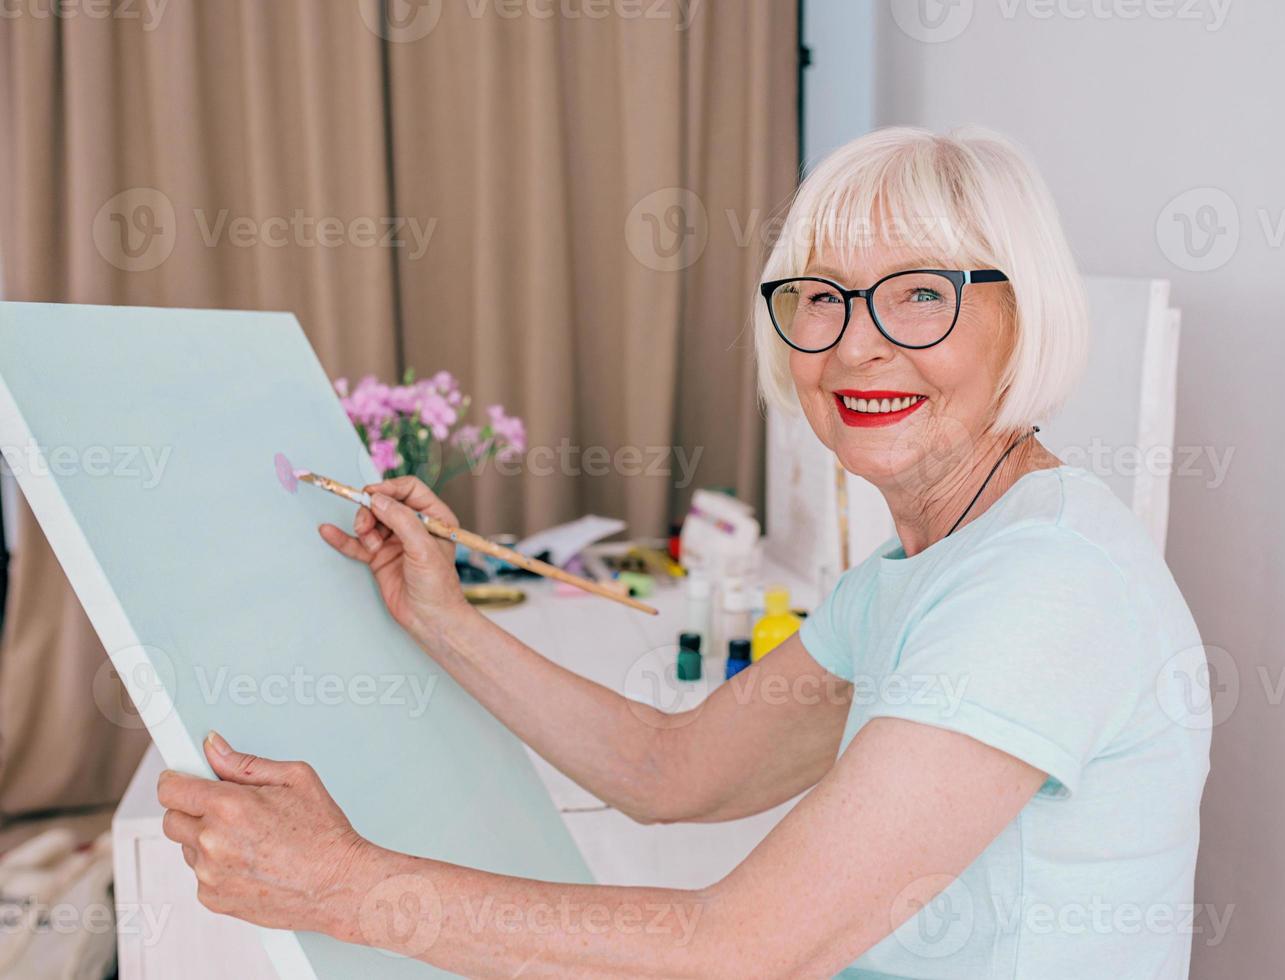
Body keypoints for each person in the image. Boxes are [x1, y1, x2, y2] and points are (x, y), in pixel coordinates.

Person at [157, 127, 1211, 978]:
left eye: (920, 292)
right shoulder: (914, 570)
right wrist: (441, 614)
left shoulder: (1043, 583)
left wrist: (342, 884)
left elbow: (743, 948)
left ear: (1020, 320)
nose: (853, 343)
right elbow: (672, 771)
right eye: (821, 296)